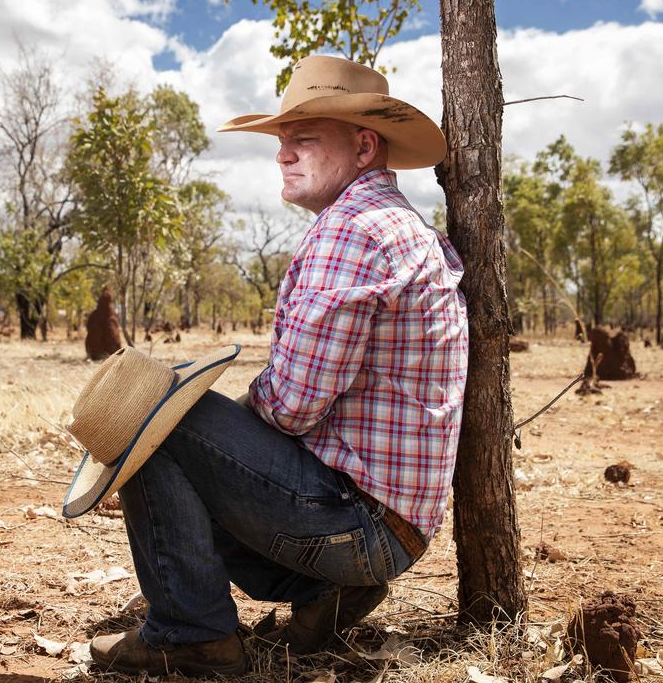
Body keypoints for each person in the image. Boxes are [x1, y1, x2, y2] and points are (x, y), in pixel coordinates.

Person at [65, 55, 469, 676]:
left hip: (356, 523)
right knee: (169, 438)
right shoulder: (394, 224)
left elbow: (291, 406)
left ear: (364, 147)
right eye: (281, 141)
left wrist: (169, 448)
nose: (282, 154)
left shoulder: (353, 231)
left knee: (153, 417)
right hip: (393, 528)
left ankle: (191, 636)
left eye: (303, 139)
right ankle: (320, 595)